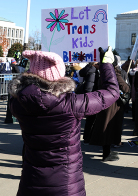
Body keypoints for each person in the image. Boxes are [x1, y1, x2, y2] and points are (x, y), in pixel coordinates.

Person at [8, 47, 120, 196]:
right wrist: (106, 64)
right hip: (66, 184)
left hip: (31, 181)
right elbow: (112, 92)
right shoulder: (71, 104)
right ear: (58, 75)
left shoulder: (17, 103)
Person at [89, 56, 130, 161]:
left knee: (105, 126)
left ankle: (106, 152)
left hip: (104, 102)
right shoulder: (114, 73)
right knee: (109, 128)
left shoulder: (102, 72)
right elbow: (125, 88)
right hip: (113, 105)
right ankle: (106, 154)